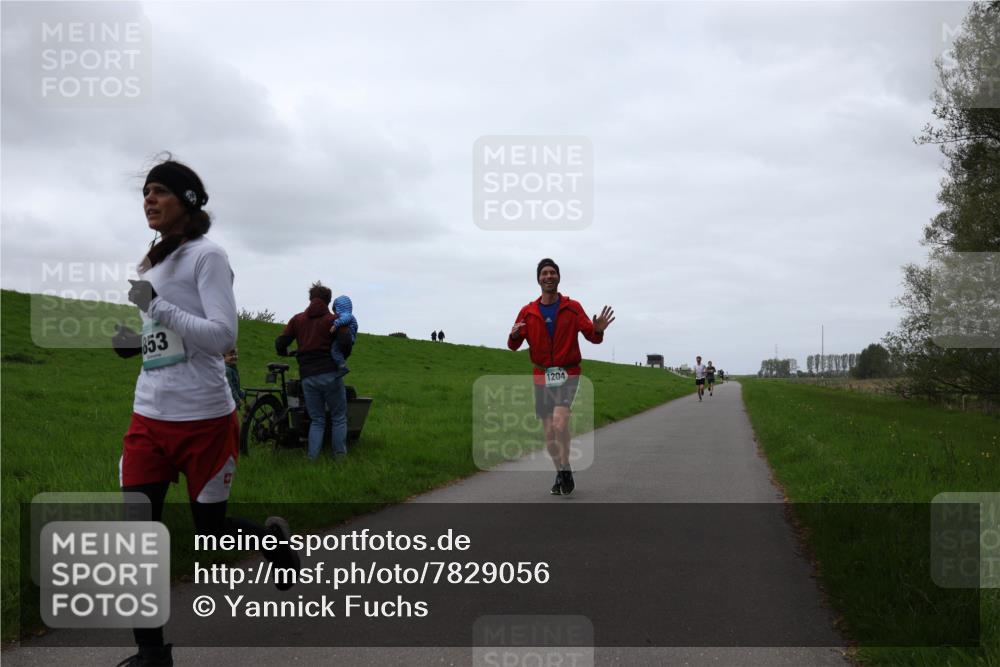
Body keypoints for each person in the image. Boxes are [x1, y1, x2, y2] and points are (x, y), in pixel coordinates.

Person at [110, 158, 299, 667]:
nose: (148, 200)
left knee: (210, 530)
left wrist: (157, 306)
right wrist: (133, 341)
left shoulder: (208, 257)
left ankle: (270, 539)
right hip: (149, 415)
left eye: (158, 192)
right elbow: (164, 332)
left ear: (187, 201)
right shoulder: (151, 262)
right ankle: (152, 653)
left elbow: (221, 337)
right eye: (144, 193)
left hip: (205, 419)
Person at [507, 258, 614, 496]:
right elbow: (513, 345)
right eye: (544, 273)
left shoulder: (572, 307)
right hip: (541, 374)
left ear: (558, 277)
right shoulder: (528, 311)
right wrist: (514, 335)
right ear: (538, 279)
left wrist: (598, 329)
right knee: (548, 432)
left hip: (568, 373)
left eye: (552, 272)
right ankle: (562, 470)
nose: (548, 276)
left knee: (559, 422)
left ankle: (564, 471)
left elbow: (592, 337)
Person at [275, 282, 348, 460]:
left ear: (310, 299)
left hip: (307, 376)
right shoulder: (334, 320)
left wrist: (284, 352)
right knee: (338, 417)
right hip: (330, 373)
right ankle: (339, 457)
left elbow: (280, 343)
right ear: (328, 301)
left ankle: (312, 458)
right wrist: (341, 358)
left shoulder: (297, 319)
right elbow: (345, 342)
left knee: (317, 420)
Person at [329, 294, 358, 373]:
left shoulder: (346, 315)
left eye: (335, 311)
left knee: (334, 351)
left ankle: (342, 366)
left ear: (339, 308)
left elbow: (344, 320)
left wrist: (335, 325)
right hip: (349, 338)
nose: (335, 314)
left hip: (346, 338)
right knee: (338, 352)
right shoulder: (349, 315)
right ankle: (340, 366)